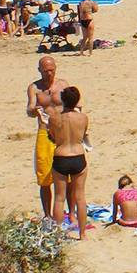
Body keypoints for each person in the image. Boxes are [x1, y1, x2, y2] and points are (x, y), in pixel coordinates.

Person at [27, 56, 68, 217]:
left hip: (63, 131)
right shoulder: (34, 88)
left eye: (52, 70)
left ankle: (69, 212)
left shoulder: (63, 85)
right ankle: (47, 215)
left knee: (67, 175)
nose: (49, 74)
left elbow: (75, 104)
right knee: (44, 176)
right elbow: (29, 109)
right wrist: (34, 110)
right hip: (44, 132)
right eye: (45, 71)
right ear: (39, 70)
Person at [48, 86, 90, 239]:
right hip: (78, 155)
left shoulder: (54, 117)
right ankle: (82, 233)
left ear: (62, 100)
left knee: (59, 198)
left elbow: (52, 136)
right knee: (80, 197)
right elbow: (83, 134)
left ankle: (57, 233)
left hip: (61, 155)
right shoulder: (83, 117)